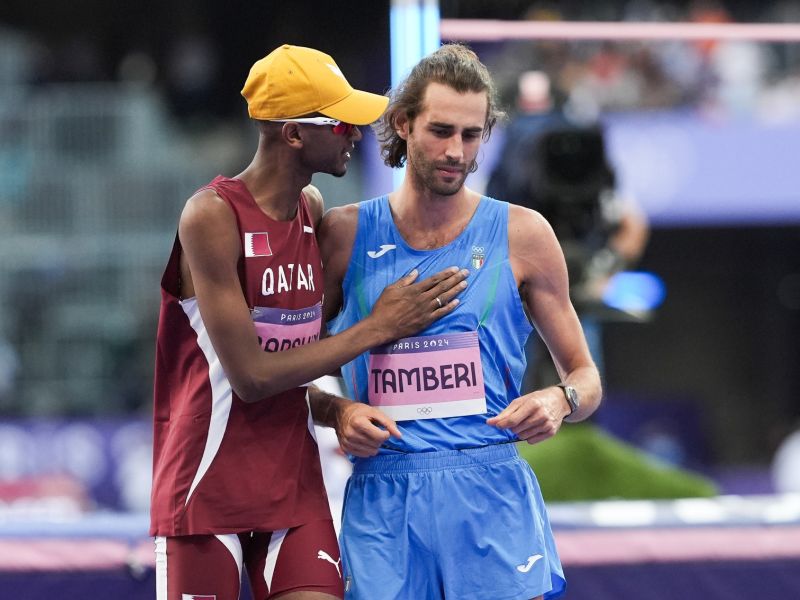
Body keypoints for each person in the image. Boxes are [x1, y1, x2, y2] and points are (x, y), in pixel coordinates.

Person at [149, 44, 468, 600]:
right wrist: (379, 326)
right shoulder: (211, 215)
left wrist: (335, 407)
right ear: (294, 134)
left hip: (291, 483)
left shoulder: (311, 209)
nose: (355, 134)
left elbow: (301, 359)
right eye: (341, 122)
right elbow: (252, 377)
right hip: (205, 486)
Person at [313, 44, 602, 600]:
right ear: (402, 123)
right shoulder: (345, 234)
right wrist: (337, 409)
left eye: (471, 136)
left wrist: (559, 400)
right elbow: (287, 370)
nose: (455, 151)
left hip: (491, 491)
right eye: (440, 131)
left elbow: (586, 377)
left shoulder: (525, 235)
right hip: (384, 496)